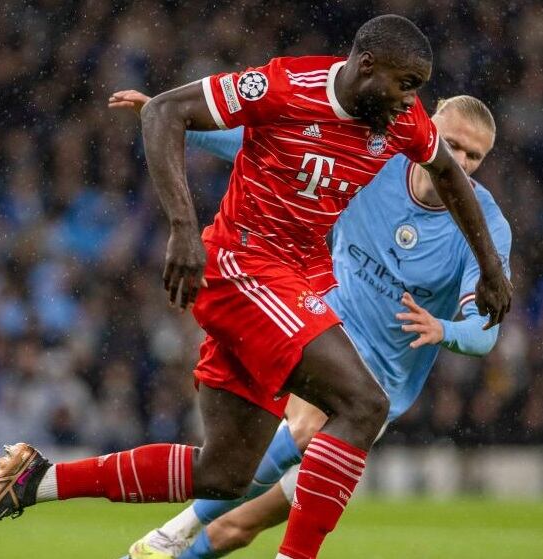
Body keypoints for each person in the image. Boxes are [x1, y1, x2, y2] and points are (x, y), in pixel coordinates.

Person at [0, 15, 512, 559]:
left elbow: (445, 173)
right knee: (363, 405)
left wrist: (490, 269)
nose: (408, 101)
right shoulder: (284, 85)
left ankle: (37, 480)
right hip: (244, 267)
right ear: (366, 66)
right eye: (404, 86)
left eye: (417, 90)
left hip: (287, 285)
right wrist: (182, 229)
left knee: (223, 473)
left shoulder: (402, 123)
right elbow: (171, 113)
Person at [110, 92, 508, 559]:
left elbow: (486, 330)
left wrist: (446, 329)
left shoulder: (485, 225)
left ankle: (164, 551)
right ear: (430, 127)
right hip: (324, 332)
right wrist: (173, 118)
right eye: (452, 144)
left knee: (242, 523)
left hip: (381, 391)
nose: (458, 161)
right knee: (301, 429)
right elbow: (264, 145)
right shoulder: (376, 160)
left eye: (473, 156)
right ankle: (175, 529)